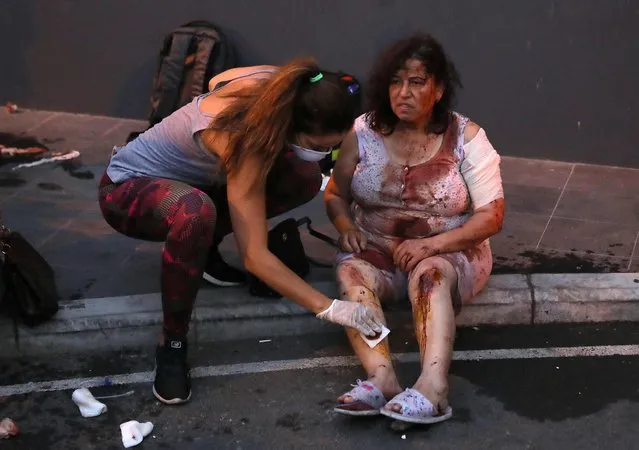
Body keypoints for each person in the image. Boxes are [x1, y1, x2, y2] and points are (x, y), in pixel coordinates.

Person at [98, 58, 384, 405]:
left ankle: (201, 249)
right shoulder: (244, 142)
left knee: (304, 177)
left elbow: (220, 79)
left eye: (331, 147)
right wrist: (329, 307)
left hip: (195, 179)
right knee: (194, 212)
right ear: (293, 123)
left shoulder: (283, 85)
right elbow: (255, 257)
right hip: (125, 189)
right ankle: (171, 343)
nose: (324, 153)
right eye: (318, 144)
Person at [324, 34, 504, 424]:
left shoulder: (466, 138)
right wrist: (344, 225)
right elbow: (335, 193)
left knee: (430, 275)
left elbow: (491, 217)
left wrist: (432, 245)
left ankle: (433, 388)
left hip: (451, 252)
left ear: (438, 89)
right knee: (350, 272)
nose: (402, 93)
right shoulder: (362, 132)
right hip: (377, 250)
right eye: (395, 81)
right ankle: (381, 379)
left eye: (417, 82)